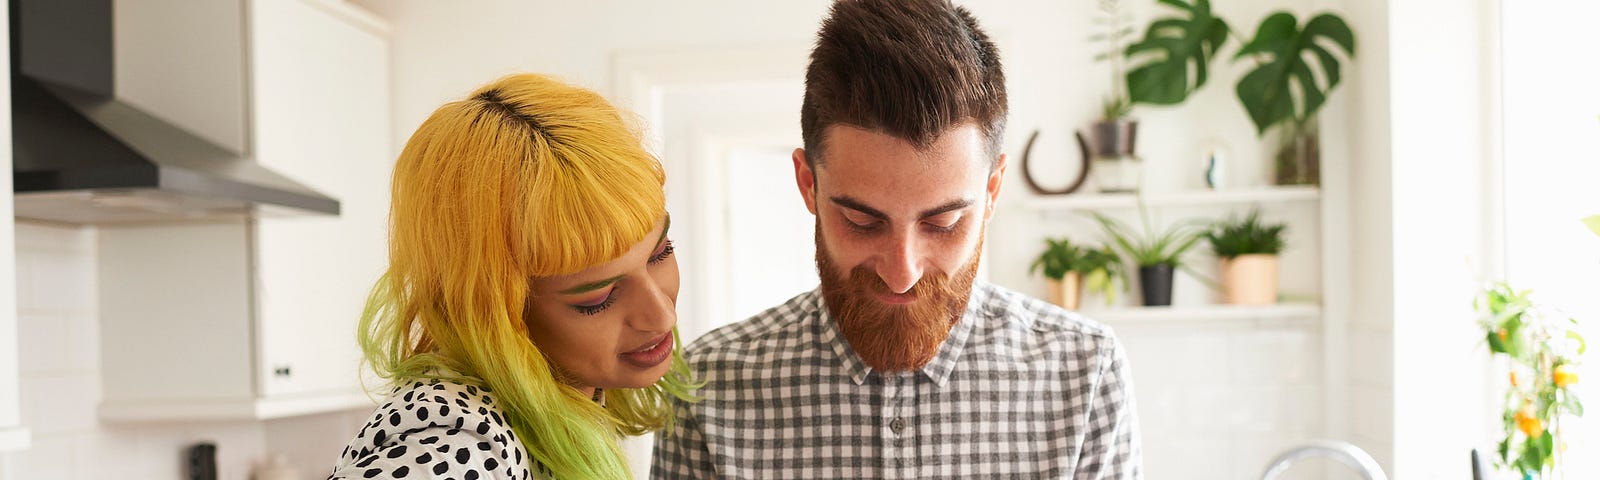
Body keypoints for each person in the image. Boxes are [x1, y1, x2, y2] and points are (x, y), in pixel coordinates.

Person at [651, 0, 1143, 478]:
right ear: (808, 184)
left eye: (944, 223)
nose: (902, 271)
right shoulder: (708, 388)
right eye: (862, 222)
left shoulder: (1084, 374)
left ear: (992, 191)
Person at [330, 73, 697, 480]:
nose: (661, 315)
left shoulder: (574, 402)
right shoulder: (459, 446)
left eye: (661, 252)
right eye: (598, 299)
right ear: (496, 310)